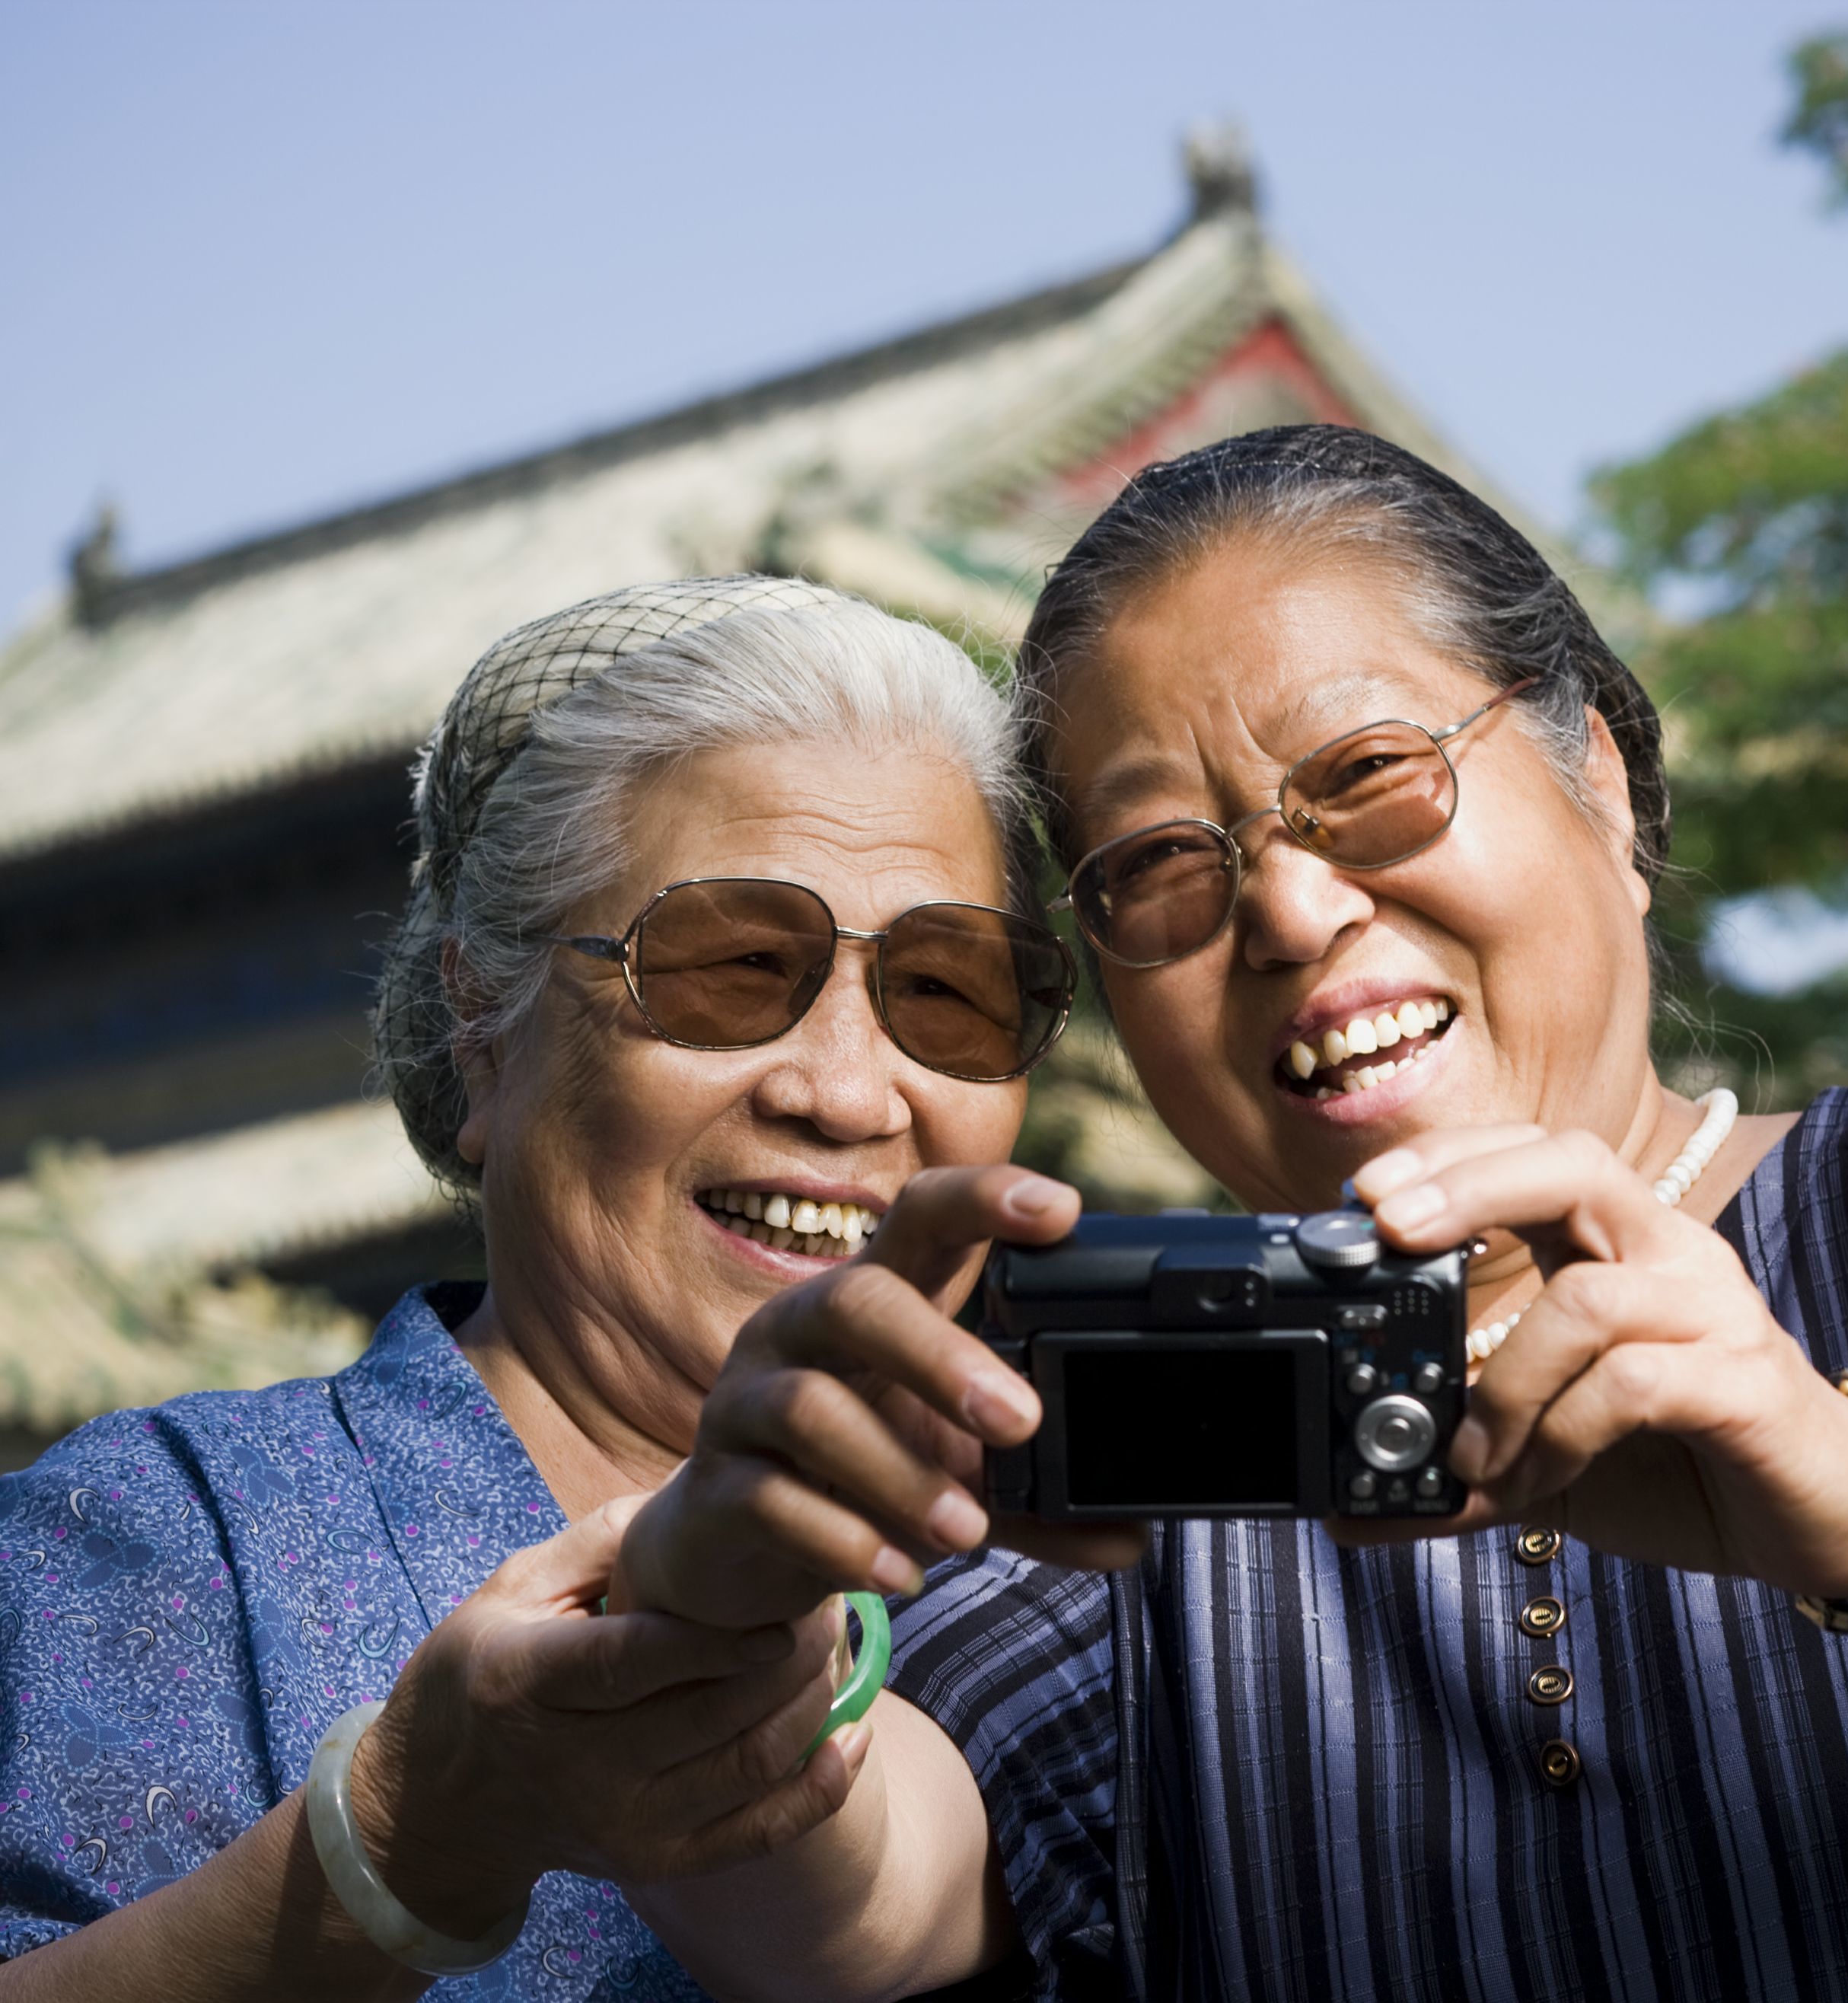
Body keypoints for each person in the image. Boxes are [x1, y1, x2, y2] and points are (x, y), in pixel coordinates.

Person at [614, 428, 1848, 2001]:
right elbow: (876, 1894)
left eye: (1362, 777)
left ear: (1595, 770)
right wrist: (724, 1616)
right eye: (1162, 867)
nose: (1285, 912)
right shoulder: (1141, 1392)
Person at [0, 578, 1085, 1998]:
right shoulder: (176, 1533)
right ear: (483, 1026)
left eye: (946, 990)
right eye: (734, 967)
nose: (843, 1093)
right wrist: (400, 1834)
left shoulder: (1079, 1582)